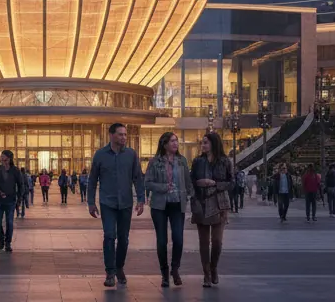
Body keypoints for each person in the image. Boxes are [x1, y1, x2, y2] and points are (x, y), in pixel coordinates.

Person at [88, 122, 146, 288]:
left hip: (126, 203)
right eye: (120, 134)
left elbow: (137, 178)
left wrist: (141, 199)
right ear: (111, 135)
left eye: (125, 134)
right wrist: (91, 203)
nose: (124, 138)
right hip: (107, 202)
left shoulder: (131, 154)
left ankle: (119, 267)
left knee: (124, 239)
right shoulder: (100, 155)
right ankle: (110, 272)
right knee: (109, 236)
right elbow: (92, 181)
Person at [145, 131, 189, 288]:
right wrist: (163, 187)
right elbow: (147, 182)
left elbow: (188, 183)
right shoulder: (155, 162)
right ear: (164, 144)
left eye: (176, 141)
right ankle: (164, 273)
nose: (175, 144)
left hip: (177, 204)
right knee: (162, 241)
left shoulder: (182, 161)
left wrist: (191, 196)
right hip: (159, 206)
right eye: (172, 141)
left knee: (178, 238)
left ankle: (175, 269)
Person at [192, 131, 233, 288]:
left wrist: (215, 184)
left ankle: (214, 266)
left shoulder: (224, 161)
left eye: (206, 143)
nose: (203, 145)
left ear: (214, 144)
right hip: (201, 202)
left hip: (219, 202)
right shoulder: (197, 162)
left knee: (217, 241)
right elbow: (191, 180)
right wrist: (198, 184)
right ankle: (206, 273)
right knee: (203, 242)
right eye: (202, 143)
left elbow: (232, 182)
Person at [0, 149, 20, 251]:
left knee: (9, 223)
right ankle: (1, 238)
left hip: (11, 200)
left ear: (9, 158)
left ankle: (8, 243)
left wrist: (19, 199)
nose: (2, 159)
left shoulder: (15, 170)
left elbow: (21, 185)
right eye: (1, 157)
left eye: (3, 157)